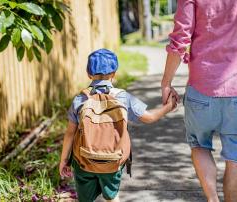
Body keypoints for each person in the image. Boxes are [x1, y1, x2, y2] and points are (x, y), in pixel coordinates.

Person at [161, 0, 237, 201]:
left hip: (201, 90)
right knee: (236, 157)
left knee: (199, 145)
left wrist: (166, 82)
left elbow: (180, 39)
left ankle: (213, 198)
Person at [59, 49, 177, 202]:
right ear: (114, 74)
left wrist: (64, 160)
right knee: (112, 197)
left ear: (88, 74)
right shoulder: (122, 97)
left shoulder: (80, 99)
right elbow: (149, 117)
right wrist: (168, 106)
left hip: (84, 162)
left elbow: (69, 134)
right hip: (113, 161)